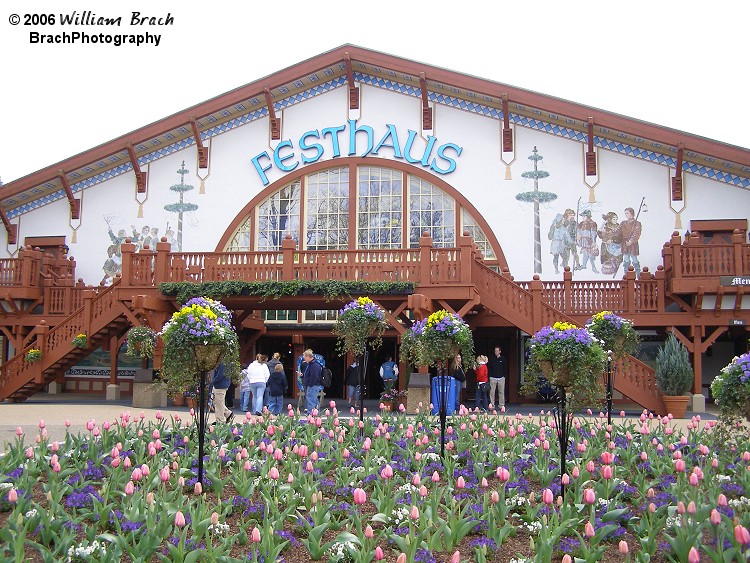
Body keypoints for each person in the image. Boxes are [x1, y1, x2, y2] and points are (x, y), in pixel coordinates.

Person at [549, 209, 576, 274]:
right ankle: (556, 269)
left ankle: (565, 269)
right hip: (556, 243)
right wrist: (571, 241)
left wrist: (572, 242)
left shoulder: (563, 228)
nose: (564, 221)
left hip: (560, 243)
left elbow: (567, 236)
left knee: (564, 256)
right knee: (557, 256)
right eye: (562, 220)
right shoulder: (556, 226)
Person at [598, 212, 623, 276]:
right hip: (606, 246)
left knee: (616, 260)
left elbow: (621, 237)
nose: (615, 220)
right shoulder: (605, 226)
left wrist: (613, 240)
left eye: (616, 219)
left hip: (616, 246)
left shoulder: (619, 227)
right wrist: (606, 240)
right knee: (607, 261)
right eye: (613, 219)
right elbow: (600, 235)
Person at [301, 349, 324, 414]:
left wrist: (310, 384)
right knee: (314, 399)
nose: (304, 359)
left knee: (311, 400)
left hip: (313, 385)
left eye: (305, 357)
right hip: (313, 385)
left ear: (308, 356)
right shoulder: (312, 364)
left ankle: (310, 414)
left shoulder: (314, 365)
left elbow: (314, 376)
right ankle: (317, 413)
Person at [620, 206, 642, 273]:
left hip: (633, 244)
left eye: (627, 213)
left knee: (634, 258)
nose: (626, 215)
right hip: (625, 242)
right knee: (626, 258)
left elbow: (637, 233)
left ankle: (638, 274)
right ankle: (626, 275)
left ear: (631, 213)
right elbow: (618, 230)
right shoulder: (623, 223)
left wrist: (631, 241)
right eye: (625, 213)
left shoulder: (637, 223)